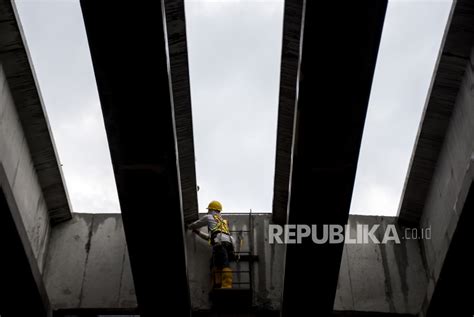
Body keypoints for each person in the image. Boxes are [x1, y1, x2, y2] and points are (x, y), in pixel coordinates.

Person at [188, 200, 235, 289]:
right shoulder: (223, 221)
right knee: (217, 263)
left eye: (209, 209)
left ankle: (226, 285)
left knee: (221, 264)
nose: (208, 211)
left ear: (211, 209)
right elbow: (211, 237)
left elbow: (196, 224)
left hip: (219, 243)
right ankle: (219, 284)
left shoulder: (209, 217)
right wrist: (199, 233)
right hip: (229, 243)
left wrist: (189, 226)